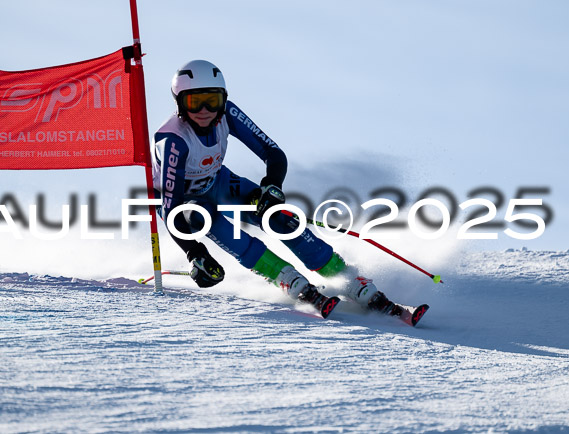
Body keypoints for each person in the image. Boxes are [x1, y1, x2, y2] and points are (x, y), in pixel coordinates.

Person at [152, 59, 399, 318]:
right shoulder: (173, 141)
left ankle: (348, 280)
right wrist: (196, 254)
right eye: (194, 102)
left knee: (277, 217)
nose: (204, 110)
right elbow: (172, 210)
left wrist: (272, 187)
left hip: (218, 182)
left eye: (211, 101)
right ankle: (287, 278)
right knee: (207, 219)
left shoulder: (227, 114)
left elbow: (273, 153)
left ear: (222, 100)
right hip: (184, 202)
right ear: (180, 103)